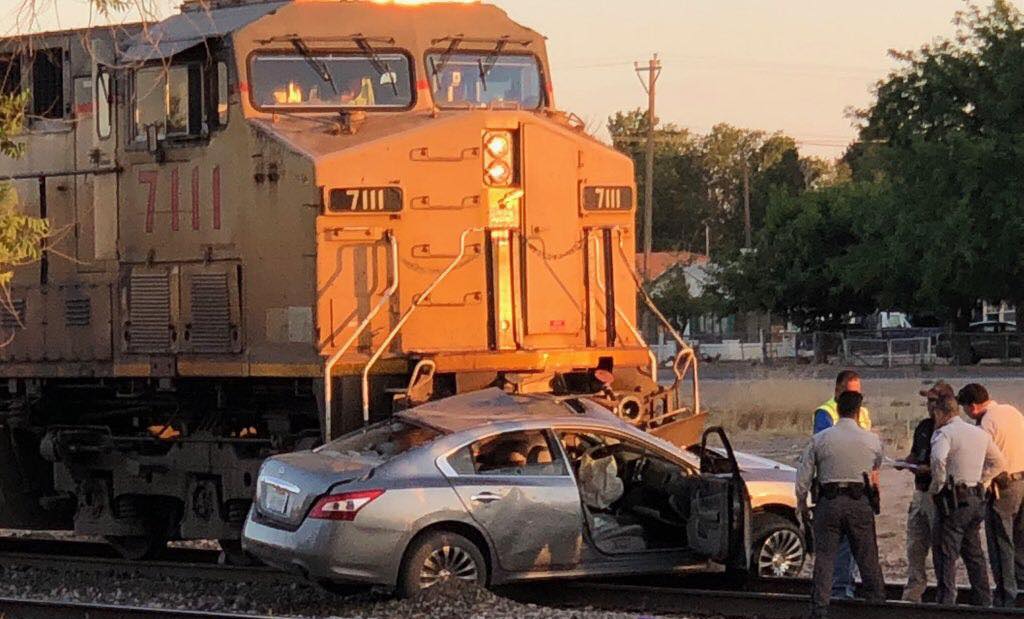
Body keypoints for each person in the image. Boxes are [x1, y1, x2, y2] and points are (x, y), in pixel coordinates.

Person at [797, 390, 886, 618]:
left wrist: (802, 504)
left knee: (825, 558)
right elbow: (876, 466)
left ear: (837, 410)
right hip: (859, 502)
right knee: (867, 557)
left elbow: (803, 477)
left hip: (829, 501)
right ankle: (877, 606)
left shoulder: (820, 439)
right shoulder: (872, 440)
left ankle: (819, 610)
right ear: (858, 411)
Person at [930, 394, 1005, 607]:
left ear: (940, 413)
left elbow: (937, 459)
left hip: (952, 500)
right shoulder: (978, 433)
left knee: (946, 552)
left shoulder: (944, 434)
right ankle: (984, 600)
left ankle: (946, 602)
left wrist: (938, 485)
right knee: (974, 553)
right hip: (975, 497)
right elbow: (999, 461)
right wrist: (982, 480)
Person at [956, 383, 1024, 608]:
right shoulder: (1012, 412)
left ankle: (1006, 598)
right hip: (1022, 481)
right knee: (1020, 541)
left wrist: (982, 482)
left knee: (1000, 543)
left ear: (973, 406)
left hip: (1002, 487)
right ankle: (1021, 591)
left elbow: (985, 459)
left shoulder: (986, 424)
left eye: (965, 409)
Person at [812, 370, 872, 599]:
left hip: (861, 488)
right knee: (836, 547)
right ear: (838, 391)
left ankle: (848, 588)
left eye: (858, 393)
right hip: (834, 488)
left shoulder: (864, 413)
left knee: (860, 547)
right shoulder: (825, 413)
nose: (856, 398)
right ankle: (839, 591)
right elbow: (822, 448)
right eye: (851, 393)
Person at [894, 381, 952, 602]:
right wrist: (904, 463)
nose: (929, 406)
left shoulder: (951, 430)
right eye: (928, 401)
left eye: (933, 401)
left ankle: (944, 594)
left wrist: (930, 469)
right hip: (920, 492)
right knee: (915, 545)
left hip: (938, 494)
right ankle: (913, 593)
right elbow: (915, 455)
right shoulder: (924, 427)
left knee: (940, 546)